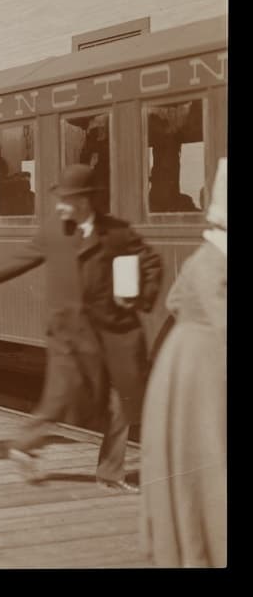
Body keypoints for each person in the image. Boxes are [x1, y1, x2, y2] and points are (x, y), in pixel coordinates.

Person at [0, 164, 162, 492]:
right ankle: (23, 445)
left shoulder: (117, 232)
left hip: (116, 333)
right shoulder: (54, 232)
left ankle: (110, 472)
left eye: (65, 200)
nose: (59, 206)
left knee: (123, 403)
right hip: (69, 334)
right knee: (60, 398)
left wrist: (141, 297)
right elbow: (17, 260)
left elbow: (150, 262)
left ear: (85, 201)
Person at [140, 158, 226, 567]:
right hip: (204, 375)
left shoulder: (208, 258)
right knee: (207, 468)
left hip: (191, 372)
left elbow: (175, 299)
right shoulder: (216, 265)